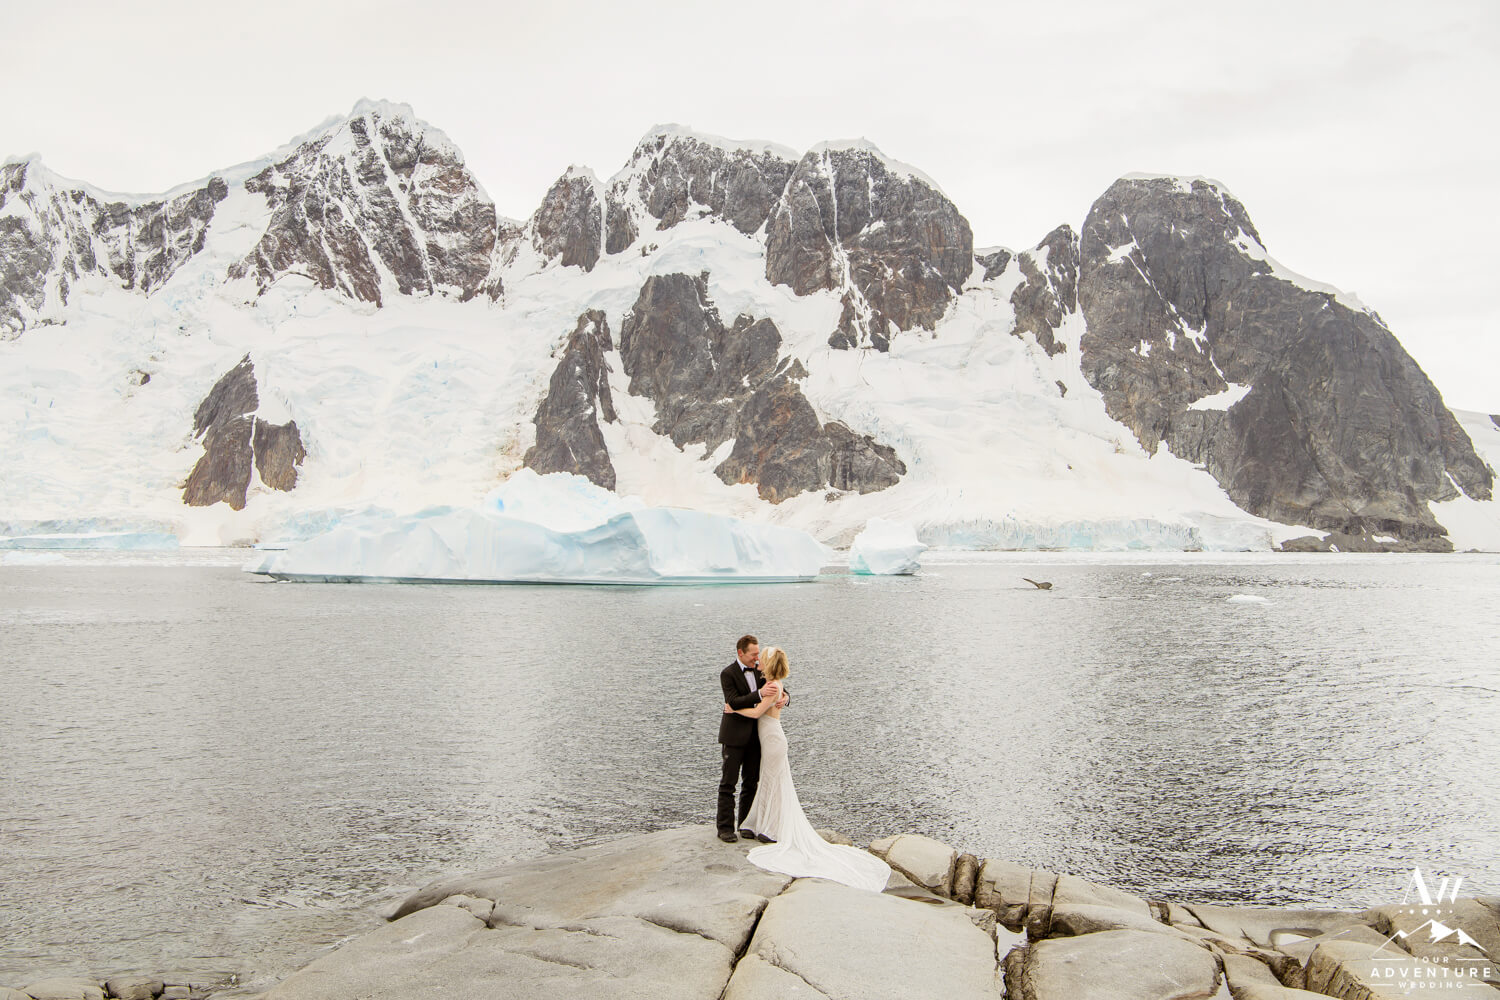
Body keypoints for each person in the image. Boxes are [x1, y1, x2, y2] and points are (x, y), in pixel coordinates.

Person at [726, 646, 891, 892]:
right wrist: (783, 696)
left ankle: (770, 828)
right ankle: (759, 825)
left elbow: (758, 711)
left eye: (763, 658)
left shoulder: (773, 686)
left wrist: (733, 708)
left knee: (773, 781)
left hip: (773, 739)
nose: (758, 661)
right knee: (769, 781)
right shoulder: (769, 683)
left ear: (769, 663)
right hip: (768, 739)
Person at [716, 635, 786, 843]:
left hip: (756, 738)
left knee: (751, 782)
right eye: (753, 654)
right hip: (734, 736)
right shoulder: (728, 673)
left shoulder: (759, 670)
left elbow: (777, 685)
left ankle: (746, 824)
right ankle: (725, 828)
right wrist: (759, 694)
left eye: (758, 654)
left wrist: (786, 697)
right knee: (728, 783)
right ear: (741, 652)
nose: (757, 658)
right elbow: (733, 701)